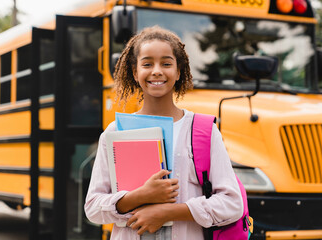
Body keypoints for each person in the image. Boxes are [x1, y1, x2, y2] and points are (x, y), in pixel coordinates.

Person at [84, 26, 243, 240]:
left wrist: (168, 212)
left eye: (166, 63)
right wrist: (138, 196)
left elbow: (232, 204)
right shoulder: (115, 132)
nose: (157, 71)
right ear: (134, 71)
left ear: (178, 72)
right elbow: (93, 207)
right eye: (147, 63)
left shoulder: (203, 130)